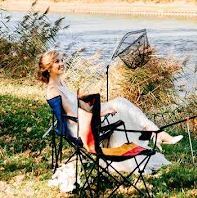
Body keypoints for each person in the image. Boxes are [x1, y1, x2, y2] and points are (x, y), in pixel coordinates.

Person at [36, 50, 182, 189]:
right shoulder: (53, 90)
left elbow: (77, 108)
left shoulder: (60, 85)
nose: (61, 63)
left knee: (120, 103)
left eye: (62, 60)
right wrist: (100, 113)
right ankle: (156, 134)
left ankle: (155, 133)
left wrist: (88, 102)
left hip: (85, 119)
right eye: (56, 61)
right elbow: (72, 115)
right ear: (48, 68)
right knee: (120, 105)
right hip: (81, 128)